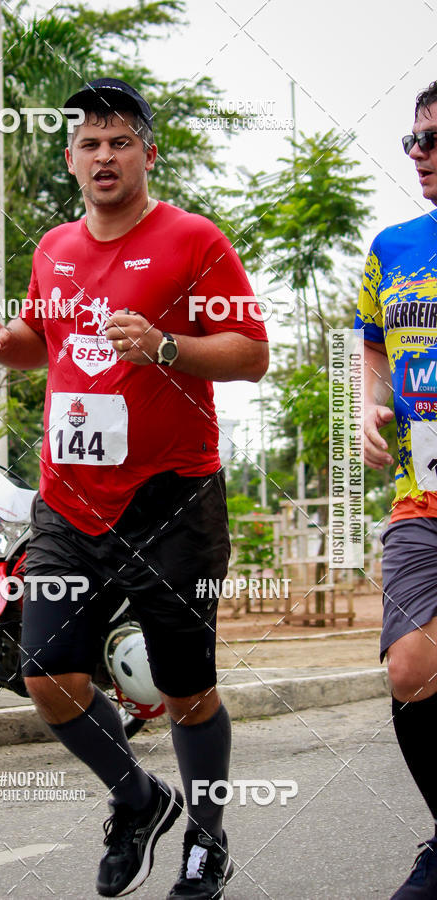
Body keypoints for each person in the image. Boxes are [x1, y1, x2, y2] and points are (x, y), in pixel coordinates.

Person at [0, 77, 269, 899]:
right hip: (71, 501)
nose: (104, 155)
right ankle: (137, 799)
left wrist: (167, 347)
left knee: (187, 690)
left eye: (120, 140)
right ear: (71, 158)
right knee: (46, 674)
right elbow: (44, 341)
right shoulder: (55, 248)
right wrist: (3, 342)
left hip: (171, 500)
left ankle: (207, 840)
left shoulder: (193, 240)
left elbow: (251, 353)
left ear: (147, 154)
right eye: (90, 143)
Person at [356, 80, 437, 899]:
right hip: (422, 494)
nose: (419, 155)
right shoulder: (394, 247)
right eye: (413, 140)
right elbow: (373, 348)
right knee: (412, 667)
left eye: (435, 140)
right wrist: (368, 410)